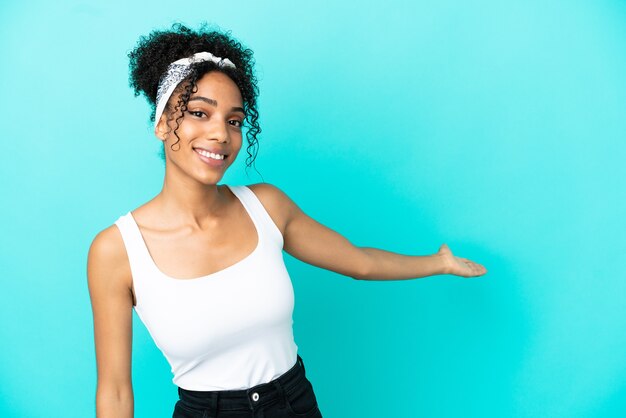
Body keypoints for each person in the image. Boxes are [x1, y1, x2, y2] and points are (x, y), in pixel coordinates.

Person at [86, 22, 487, 418]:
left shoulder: (267, 208)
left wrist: (440, 263)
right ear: (161, 124)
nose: (221, 134)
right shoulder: (116, 250)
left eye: (234, 120)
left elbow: (359, 262)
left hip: (293, 404)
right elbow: (116, 392)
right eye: (198, 113)